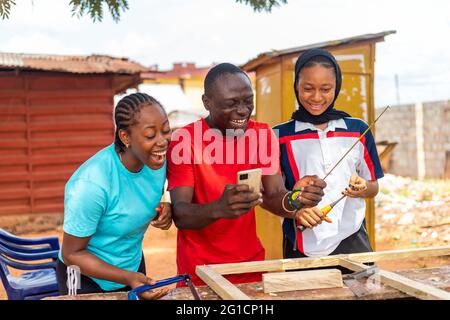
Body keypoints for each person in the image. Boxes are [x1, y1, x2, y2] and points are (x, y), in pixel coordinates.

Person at [167, 63, 327, 286]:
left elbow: (273, 196)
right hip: (199, 273)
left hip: (250, 267)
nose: (243, 110)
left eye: (248, 101)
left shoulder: (262, 134)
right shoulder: (185, 140)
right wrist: (219, 208)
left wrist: (296, 199)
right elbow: (180, 214)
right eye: (231, 103)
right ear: (207, 103)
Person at [56, 93, 172, 299]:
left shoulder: (156, 163)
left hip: (132, 265)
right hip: (85, 276)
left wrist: (166, 207)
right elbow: (71, 254)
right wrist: (127, 278)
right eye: (150, 135)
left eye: (165, 130)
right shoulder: (91, 184)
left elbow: (133, 202)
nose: (162, 141)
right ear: (125, 137)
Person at [274, 49, 384, 259]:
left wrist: (363, 188)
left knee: (366, 292)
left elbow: (373, 188)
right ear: (296, 85)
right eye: (308, 88)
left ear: (337, 87)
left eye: (326, 89)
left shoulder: (358, 130)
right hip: (300, 243)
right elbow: (271, 195)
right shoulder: (278, 136)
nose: (316, 97)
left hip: (352, 240)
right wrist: (296, 210)